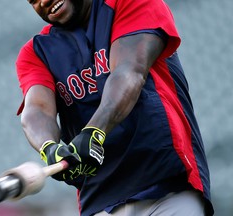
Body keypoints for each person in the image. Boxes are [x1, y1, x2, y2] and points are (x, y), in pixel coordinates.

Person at [15, 0, 214, 215]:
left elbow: (129, 73)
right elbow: (37, 109)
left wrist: (94, 131)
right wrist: (49, 147)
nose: (44, 1)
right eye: (33, 0)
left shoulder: (131, 3)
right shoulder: (36, 53)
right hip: (102, 200)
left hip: (167, 183)